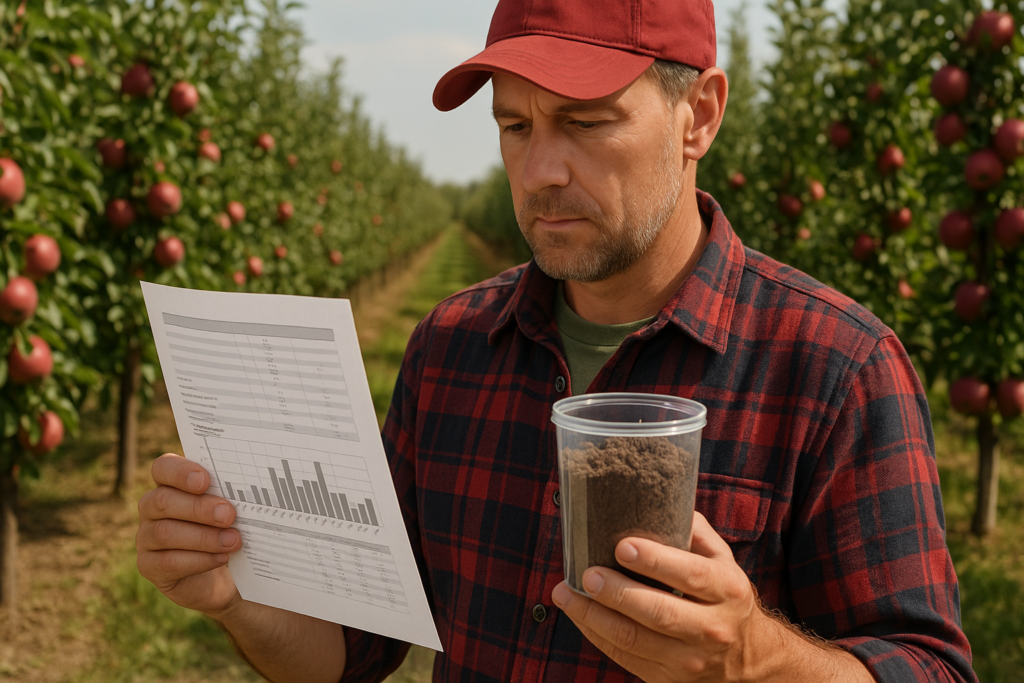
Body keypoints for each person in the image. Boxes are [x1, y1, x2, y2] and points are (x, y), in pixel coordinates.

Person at [135, 0, 977, 681]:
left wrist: (756, 658)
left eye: (586, 121)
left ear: (700, 118)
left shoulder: (834, 368)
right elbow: (354, 651)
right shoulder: (452, 348)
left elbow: (927, 666)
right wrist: (235, 597)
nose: (540, 171)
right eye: (516, 127)